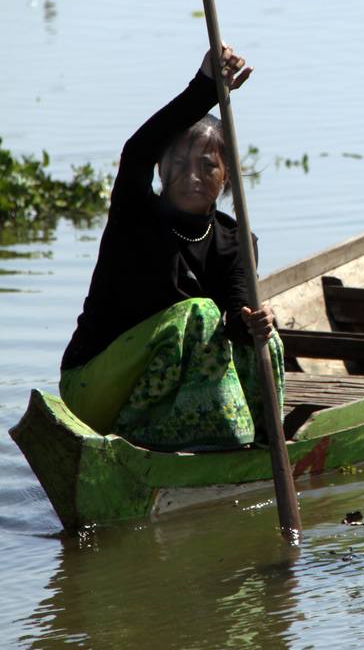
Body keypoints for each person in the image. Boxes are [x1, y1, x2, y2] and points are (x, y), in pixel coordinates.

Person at [59, 45, 284, 451]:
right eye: (178, 163)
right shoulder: (136, 215)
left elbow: (234, 320)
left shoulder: (237, 241)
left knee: (269, 340)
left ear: (225, 175)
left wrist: (255, 322)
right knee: (197, 313)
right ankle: (151, 437)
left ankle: (257, 444)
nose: (191, 175)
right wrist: (207, 86)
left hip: (167, 390)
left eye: (207, 164)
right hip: (95, 387)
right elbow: (137, 150)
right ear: (161, 170)